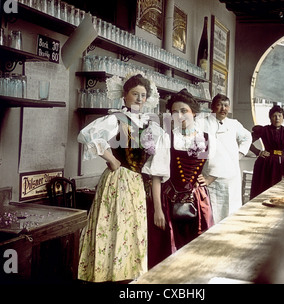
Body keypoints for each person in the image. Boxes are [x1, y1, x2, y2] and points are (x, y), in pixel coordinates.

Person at [77, 74, 170, 283]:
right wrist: (110, 158)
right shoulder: (116, 118)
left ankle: (126, 277)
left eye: (143, 95)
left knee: (131, 231)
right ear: (125, 95)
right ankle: (106, 275)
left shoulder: (150, 124)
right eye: (135, 94)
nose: (139, 99)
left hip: (137, 184)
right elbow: (87, 134)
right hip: (117, 181)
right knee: (113, 227)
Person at [157, 89, 217, 259]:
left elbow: (219, 165)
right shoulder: (167, 137)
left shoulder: (207, 138)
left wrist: (208, 179)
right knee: (173, 245)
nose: (180, 116)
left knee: (198, 246)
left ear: (194, 113)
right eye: (175, 112)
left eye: (184, 111)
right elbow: (156, 174)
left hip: (198, 198)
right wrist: (157, 210)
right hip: (170, 198)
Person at [204, 93, 252, 223]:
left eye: (226, 105)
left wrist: (239, 154)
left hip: (231, 175)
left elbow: (247, 137)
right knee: (212, 211)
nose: (223, 109)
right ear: (212, 106)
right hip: (211, 175)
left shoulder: (233, 124)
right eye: (219, 105)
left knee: (231, 210)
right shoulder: (204, 123)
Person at [249, 105, 284, 199]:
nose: (277, 118)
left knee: (281, 190)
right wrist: (258, 152)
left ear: (283, 117)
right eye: (274, 116)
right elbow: (246, 141)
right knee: (264, 189)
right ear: (270, 118)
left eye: (279, 115)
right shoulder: (264, 130)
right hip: (266, 163)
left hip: (282, 163)